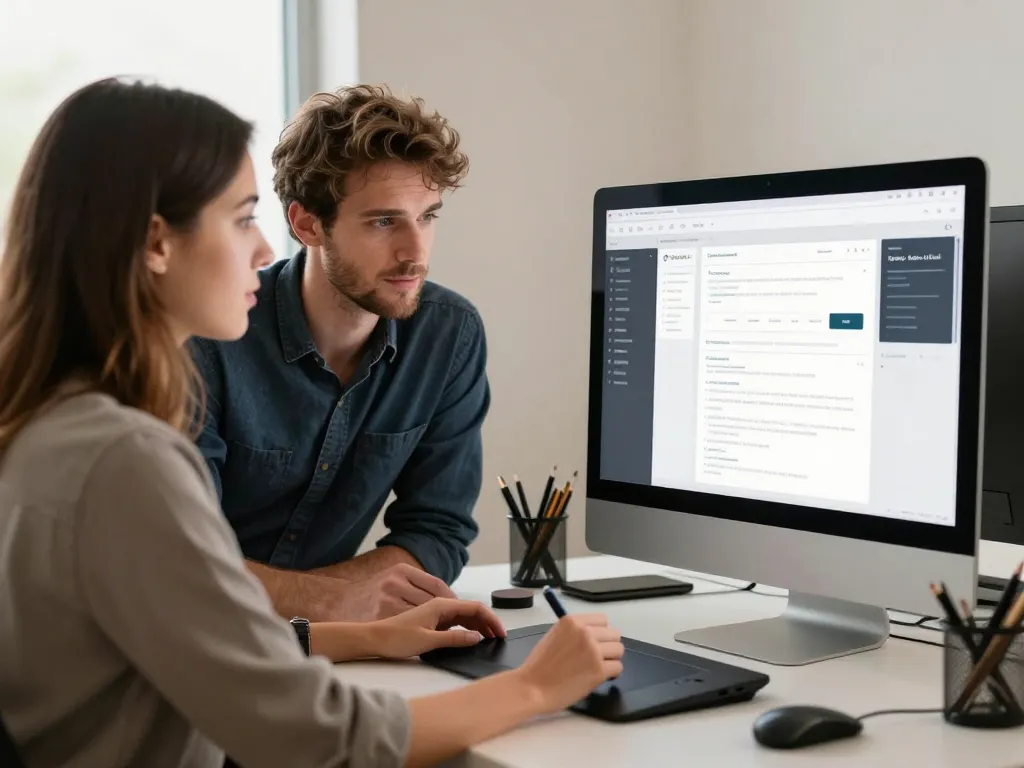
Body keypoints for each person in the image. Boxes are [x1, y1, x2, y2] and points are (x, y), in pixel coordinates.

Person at [0, 78, 625, 768]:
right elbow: (313, 738)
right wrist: (536, 686)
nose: (263, 251)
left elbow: (193, 639)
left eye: (429, 216)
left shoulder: (58, 423)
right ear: (156, 243)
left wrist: (364, 636)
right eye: (241, 219)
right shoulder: (123, 460)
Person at [190, 84, 490, 623]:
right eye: (384, 222)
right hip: (190, 643)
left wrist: (313, 604)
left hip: (331, 646)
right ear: (306, 224)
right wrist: (334, 602)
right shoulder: (208, 338)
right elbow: (184, 562)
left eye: (427, 217)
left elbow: (437, 533)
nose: (415, 253)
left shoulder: (449, 334)